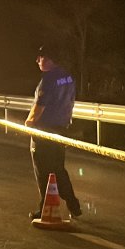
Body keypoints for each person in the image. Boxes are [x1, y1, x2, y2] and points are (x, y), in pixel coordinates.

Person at [25, 45, 82, 219]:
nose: (37, 61)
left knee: (43, 171)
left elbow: (40, 105)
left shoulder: (48, 79)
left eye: (40, 57)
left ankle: (45, 208)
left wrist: (29, 122)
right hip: (61, 128)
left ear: (49, 59)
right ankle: (73, 204)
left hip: (44, 130)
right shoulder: (67, 77)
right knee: (58, 168)